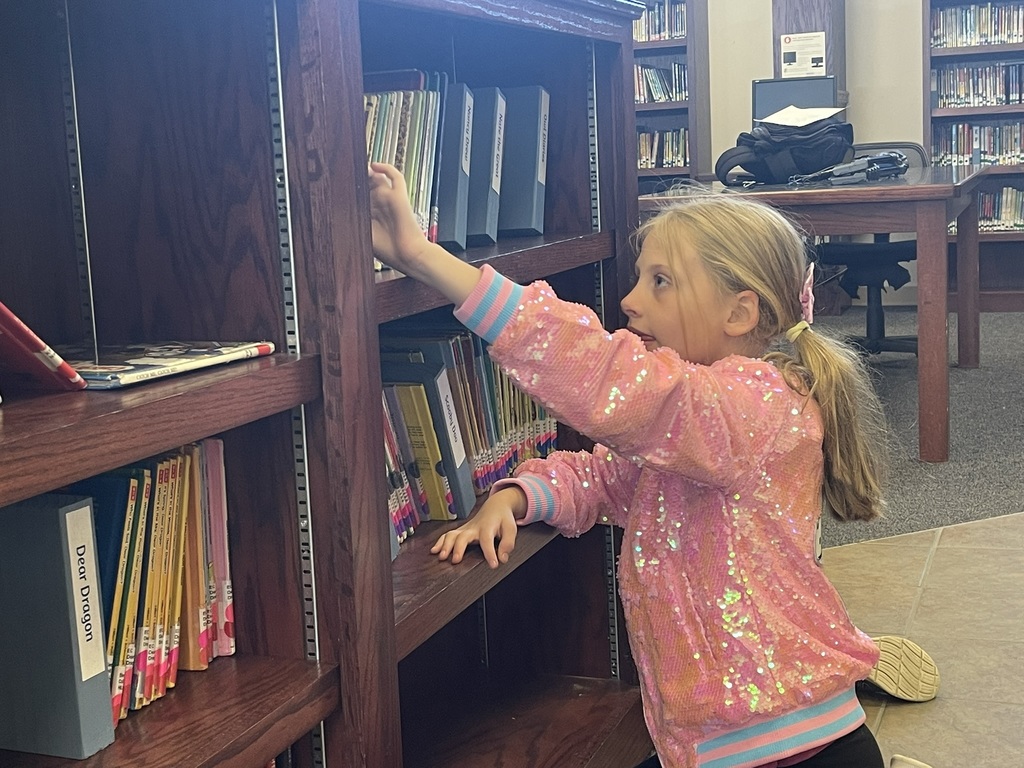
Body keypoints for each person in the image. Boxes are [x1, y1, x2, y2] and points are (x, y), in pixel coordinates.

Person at [369, 161, 911, 768]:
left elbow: (608, 378)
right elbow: (608, 477)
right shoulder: (697, 435)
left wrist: (426, 259)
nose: (629, 301)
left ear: (739, 313)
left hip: (785, 746)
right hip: (718, 741)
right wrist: (517, 495)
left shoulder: (747, 409)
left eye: (660, 282)